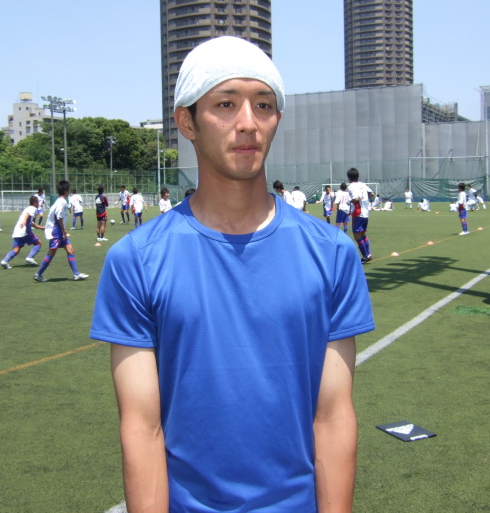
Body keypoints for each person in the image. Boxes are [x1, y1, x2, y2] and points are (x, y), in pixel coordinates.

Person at [90, 36, 374, 513]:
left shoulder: (332, 254)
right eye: (225, 104)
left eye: (263, 105)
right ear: (187, 122)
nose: (248, 122)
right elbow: (142, 427)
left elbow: (333, 416)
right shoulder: (136, 260)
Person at [33, 180, 89, 282]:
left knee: (70, 250)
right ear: (66, 190)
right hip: (56, 231)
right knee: (51, 253)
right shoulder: (61, 202)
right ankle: (38, 274)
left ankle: (76, 274)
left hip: (59, 231)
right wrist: (64, 231)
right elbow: (59, 217)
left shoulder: (61, 201)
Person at [0, 195, 44, 269]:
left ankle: (4, 261)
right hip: (25, 231)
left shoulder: (27, 209)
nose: (39, 204)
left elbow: (32, 223)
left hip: (17, 232)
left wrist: (42, 227)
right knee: (38, 243)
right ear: (35, 202)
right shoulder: (32, 208)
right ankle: (30, 257)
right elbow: (27, 215)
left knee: (16, 250)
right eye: (38, 202)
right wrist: (24, 221)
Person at [348, 167, 375, 264]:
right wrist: (364, 200)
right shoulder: (363, 184)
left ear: (349, 177)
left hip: (358, 213)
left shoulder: (351, 186)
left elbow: (355, 199)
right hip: (365, 213)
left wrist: (349, 201)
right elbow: (372, 193)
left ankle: (365, 256)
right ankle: (368, 254)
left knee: (357, 235)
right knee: (363, 234)